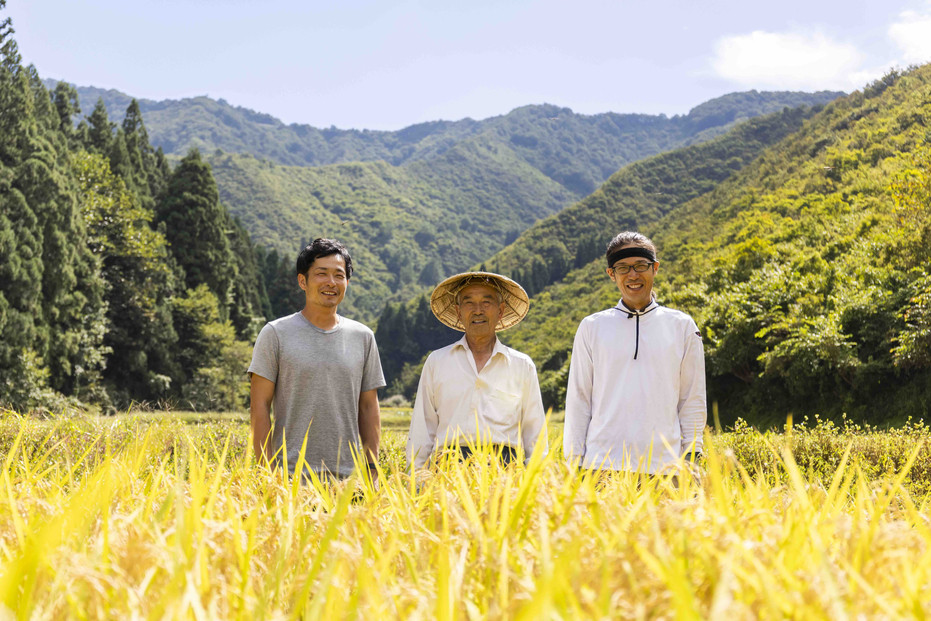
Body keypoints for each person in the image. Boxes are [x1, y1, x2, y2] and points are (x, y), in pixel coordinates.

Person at [563, 232, 706, 474]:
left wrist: (691, 456)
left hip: (666, 468)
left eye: (641, 266)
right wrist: (574, 461)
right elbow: (579, 399)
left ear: (655, 268)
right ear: (611, 274)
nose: (633, 275)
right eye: (623, 268)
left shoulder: (682, 326)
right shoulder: (592, 327)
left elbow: (692, 398)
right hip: (601, 466)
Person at [248, 238, 385, 481]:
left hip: (349, 482)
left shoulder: (363, 336)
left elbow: (368, 407)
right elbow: (259, 408)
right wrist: (266, 474)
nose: (331, 283)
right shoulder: (275, 333)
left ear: (347, 282)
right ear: (303, 281)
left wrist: (372, 470)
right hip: (290, 478)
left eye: (338, 275)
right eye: (321, 274)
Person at [407, 272, 547, 468]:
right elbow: (423, 428)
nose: (478, 310)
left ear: (500, 311)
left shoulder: (521, 365)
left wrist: (534, 481)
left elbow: (535, 434)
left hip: (505, 470)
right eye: (469, 303)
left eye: (486, 302)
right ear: (458, 311)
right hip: (448, 468)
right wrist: (417, 480)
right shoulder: (437, 362)